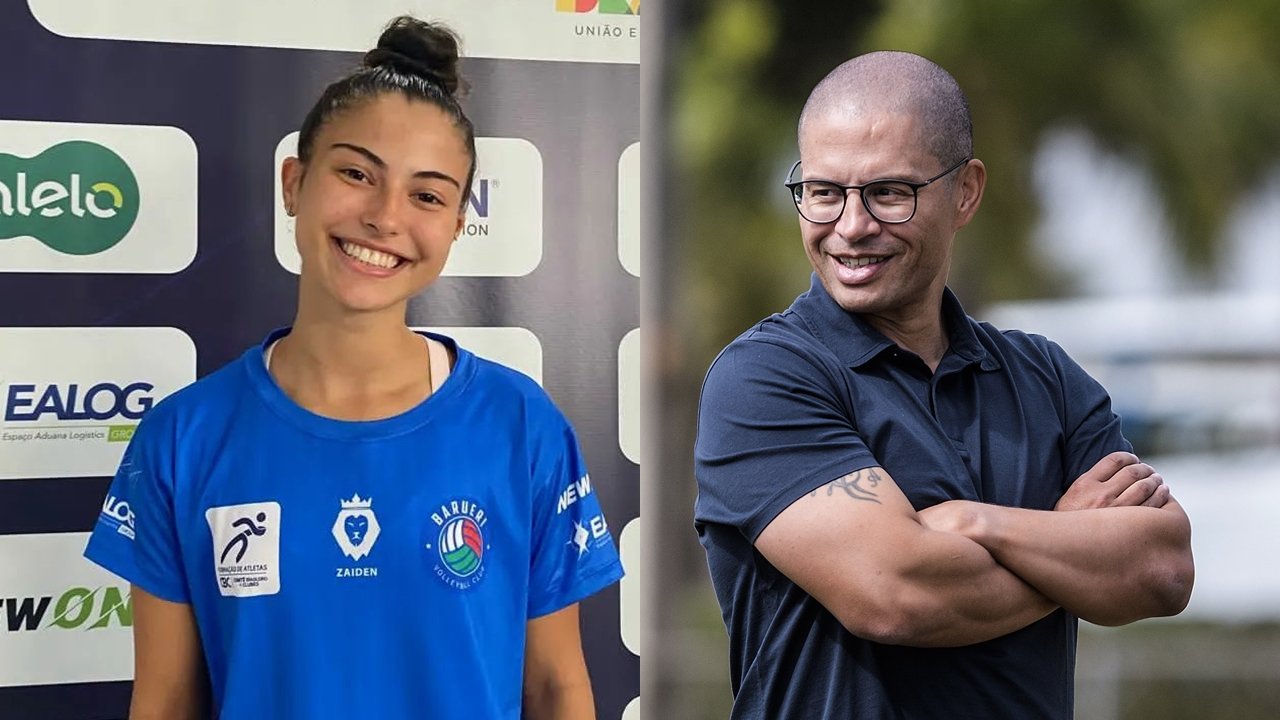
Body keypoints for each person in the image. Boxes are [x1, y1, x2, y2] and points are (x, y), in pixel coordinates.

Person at [84, 16, 623, 720]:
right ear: (294, 183)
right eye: (357, 174)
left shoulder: (521, 426)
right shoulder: (182, 438)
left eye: (427, 195)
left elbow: (555, 688)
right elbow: (165, 700)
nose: (384, 217)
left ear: (457, 225)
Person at [693, 51, 1194, 719]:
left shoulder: (1045, 378)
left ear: (965, 192)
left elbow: (1161, 570)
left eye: (888, 193)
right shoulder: (765, 377)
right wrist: (1069, 546)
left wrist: (974, 524)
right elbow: (895, 595)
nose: (851, 226)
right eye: (824, 192)